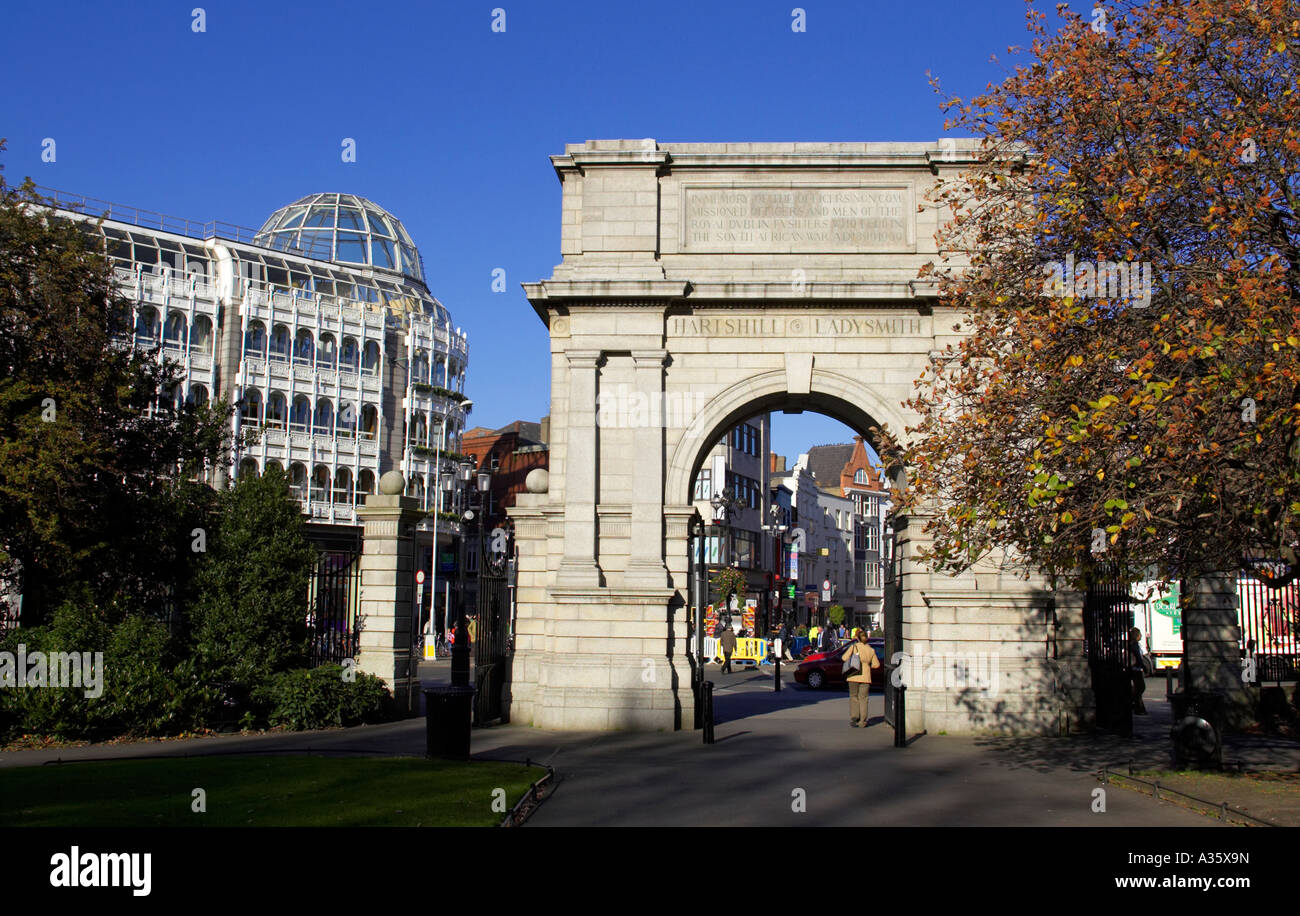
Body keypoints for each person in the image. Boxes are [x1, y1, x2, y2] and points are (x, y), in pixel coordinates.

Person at [842, 628, 882, 727]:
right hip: (865, 676)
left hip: (854, 675)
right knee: (863, 698)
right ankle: (863, 721)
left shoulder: (854, 647)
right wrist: (868, 665)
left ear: (858, 638)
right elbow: (876, 664)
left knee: (854, 697)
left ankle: (855, 716)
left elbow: (844, 658)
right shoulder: (871, 650)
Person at [1128, 626, 1154, 714]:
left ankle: (1138, 707)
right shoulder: (1134, 645)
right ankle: (1137, 706)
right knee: (1140, 688)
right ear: (1136, 635)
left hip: (1135, 668)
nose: (1141, 636)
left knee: (1138, 689)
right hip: (1136, 669)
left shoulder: (1134, 644)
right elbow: (1139, 657)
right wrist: (1143, 666)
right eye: (1140, 634)